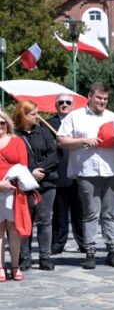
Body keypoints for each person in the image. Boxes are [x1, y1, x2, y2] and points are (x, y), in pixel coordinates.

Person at [56, 82, 114, 269]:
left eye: (105, 99)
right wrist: (82, 140)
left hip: (110, 170)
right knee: (90, 213)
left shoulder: (113, 118)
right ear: (90, 96)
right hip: (87, 171)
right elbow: (61, 140)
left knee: (110, 214)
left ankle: (113, 251)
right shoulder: (74, 116)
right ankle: (90, 252)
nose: (102, 102)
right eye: (99, 98)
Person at [12, 100, 58, 271]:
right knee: (26, 221)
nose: (37, 116)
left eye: (38, 112)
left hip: (46, 182)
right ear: (23, 115)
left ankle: (45, 257)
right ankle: (25, 257)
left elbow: (54, 154)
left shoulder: (44, 132)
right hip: (24, 183)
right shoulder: (15, 135)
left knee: (45, 220)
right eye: (33, 114)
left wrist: (41, 170)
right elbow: (13, 158)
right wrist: (31, 172)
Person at [50, 95, 85, 255]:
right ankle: (58, 243)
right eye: (61, 102)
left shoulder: (80, 121)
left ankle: (84, 242)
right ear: (56, 105)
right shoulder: (49, 124)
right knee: (59, 213)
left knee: (80, 212)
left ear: (73, 105)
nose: (64, 104)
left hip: (79, 171)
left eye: (67, 102)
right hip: (59, 172)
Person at [0, 110, 29, 281]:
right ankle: (0, 266)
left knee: (13, 229)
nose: (0, 126)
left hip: (14, 191)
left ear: (8, 124)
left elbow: (24, 166)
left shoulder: (17, 142)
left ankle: (15, 265)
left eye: (2, 123)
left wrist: (10, 184)